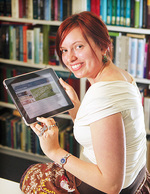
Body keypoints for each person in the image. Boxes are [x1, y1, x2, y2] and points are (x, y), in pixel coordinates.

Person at [20, 11, 150, 194]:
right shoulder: (121, 76)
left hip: (102, 189)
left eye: (78, 46)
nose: (69, 58)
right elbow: (104, 131)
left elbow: (111, 185)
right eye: (64, 50)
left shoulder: (102, 95)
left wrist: (55, 151)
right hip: (138, 180)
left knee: (31, 175)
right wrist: (77, 108)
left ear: (103, 44)